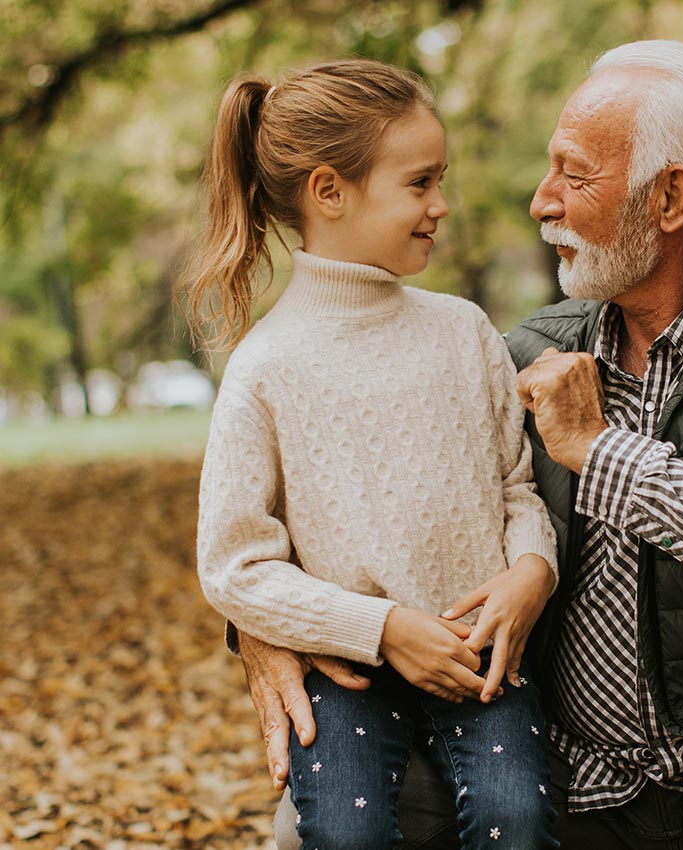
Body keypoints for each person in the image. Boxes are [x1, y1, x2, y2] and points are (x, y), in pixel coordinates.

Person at [242, 41, 683, 850]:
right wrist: (262, 629)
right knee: (305, 824)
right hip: (556, 785)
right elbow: (356, 486)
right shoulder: (519, 350)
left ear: (670, 197)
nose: (542, 203)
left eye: (574, 175)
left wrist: (601, 452)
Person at [185, 59, 560, 850]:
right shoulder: (266, 366)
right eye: (419, 183)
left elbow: (516, 489)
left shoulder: (465, 332)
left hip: (479, 658)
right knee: (345, 839)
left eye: (440, 179)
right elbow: (233, 565)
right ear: (330, 192)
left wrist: (533, 571)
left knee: (516, 819)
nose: (441, 204)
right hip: (346, 671)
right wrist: (380, 627)